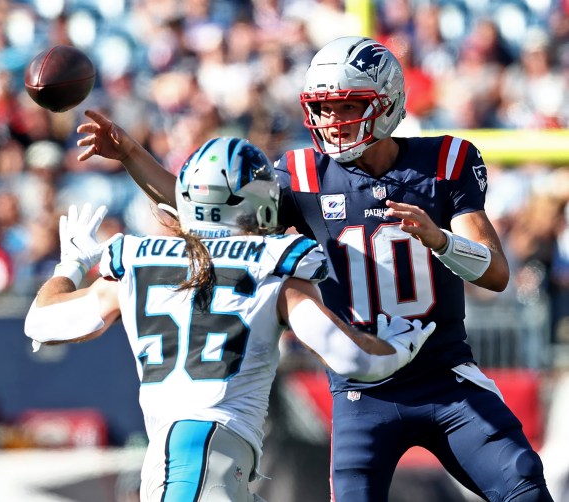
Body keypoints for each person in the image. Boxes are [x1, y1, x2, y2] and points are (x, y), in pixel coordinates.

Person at [73, 38, 553, 501]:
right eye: (323, 108)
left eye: (347, 106)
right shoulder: (302, 175)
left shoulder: (446, 161)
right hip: (362, 395)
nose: (332, 120)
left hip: (446, 377)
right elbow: (205, 204)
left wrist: (442, 240)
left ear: (386, 103)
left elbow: (495, 272)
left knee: (524, 486)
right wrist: (133, 157)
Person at [24, 137, 435, 502]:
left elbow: (42, 322)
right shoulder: (273, 264)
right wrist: (400, 345)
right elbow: (354, 359)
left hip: (186, 461)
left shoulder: (137, 264)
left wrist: (72, 265)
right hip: (203, 459)